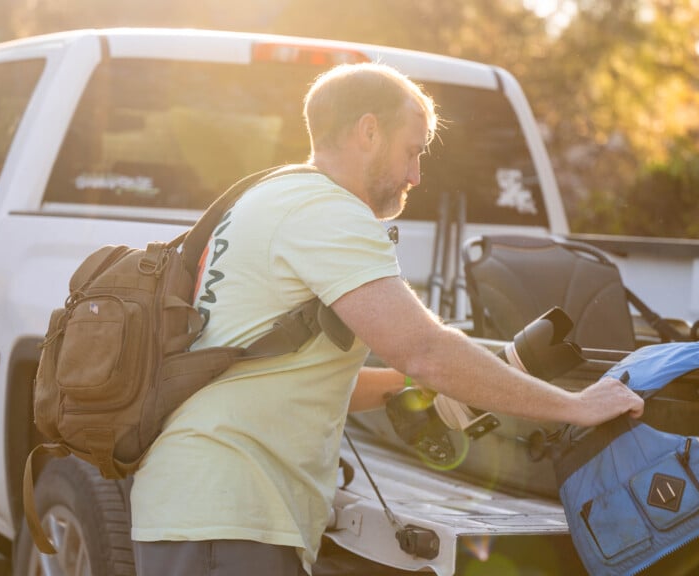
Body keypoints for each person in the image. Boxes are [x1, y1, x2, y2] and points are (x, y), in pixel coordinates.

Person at [129, 62, 644, 576]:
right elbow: (425, 351)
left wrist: (409, 387)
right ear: (368, 131)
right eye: (412, 151)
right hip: (229, 521)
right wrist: (576, 406)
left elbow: (287, 374)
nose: (416, 176)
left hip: (201, 512)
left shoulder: (268, 197)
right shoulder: (327, 211)